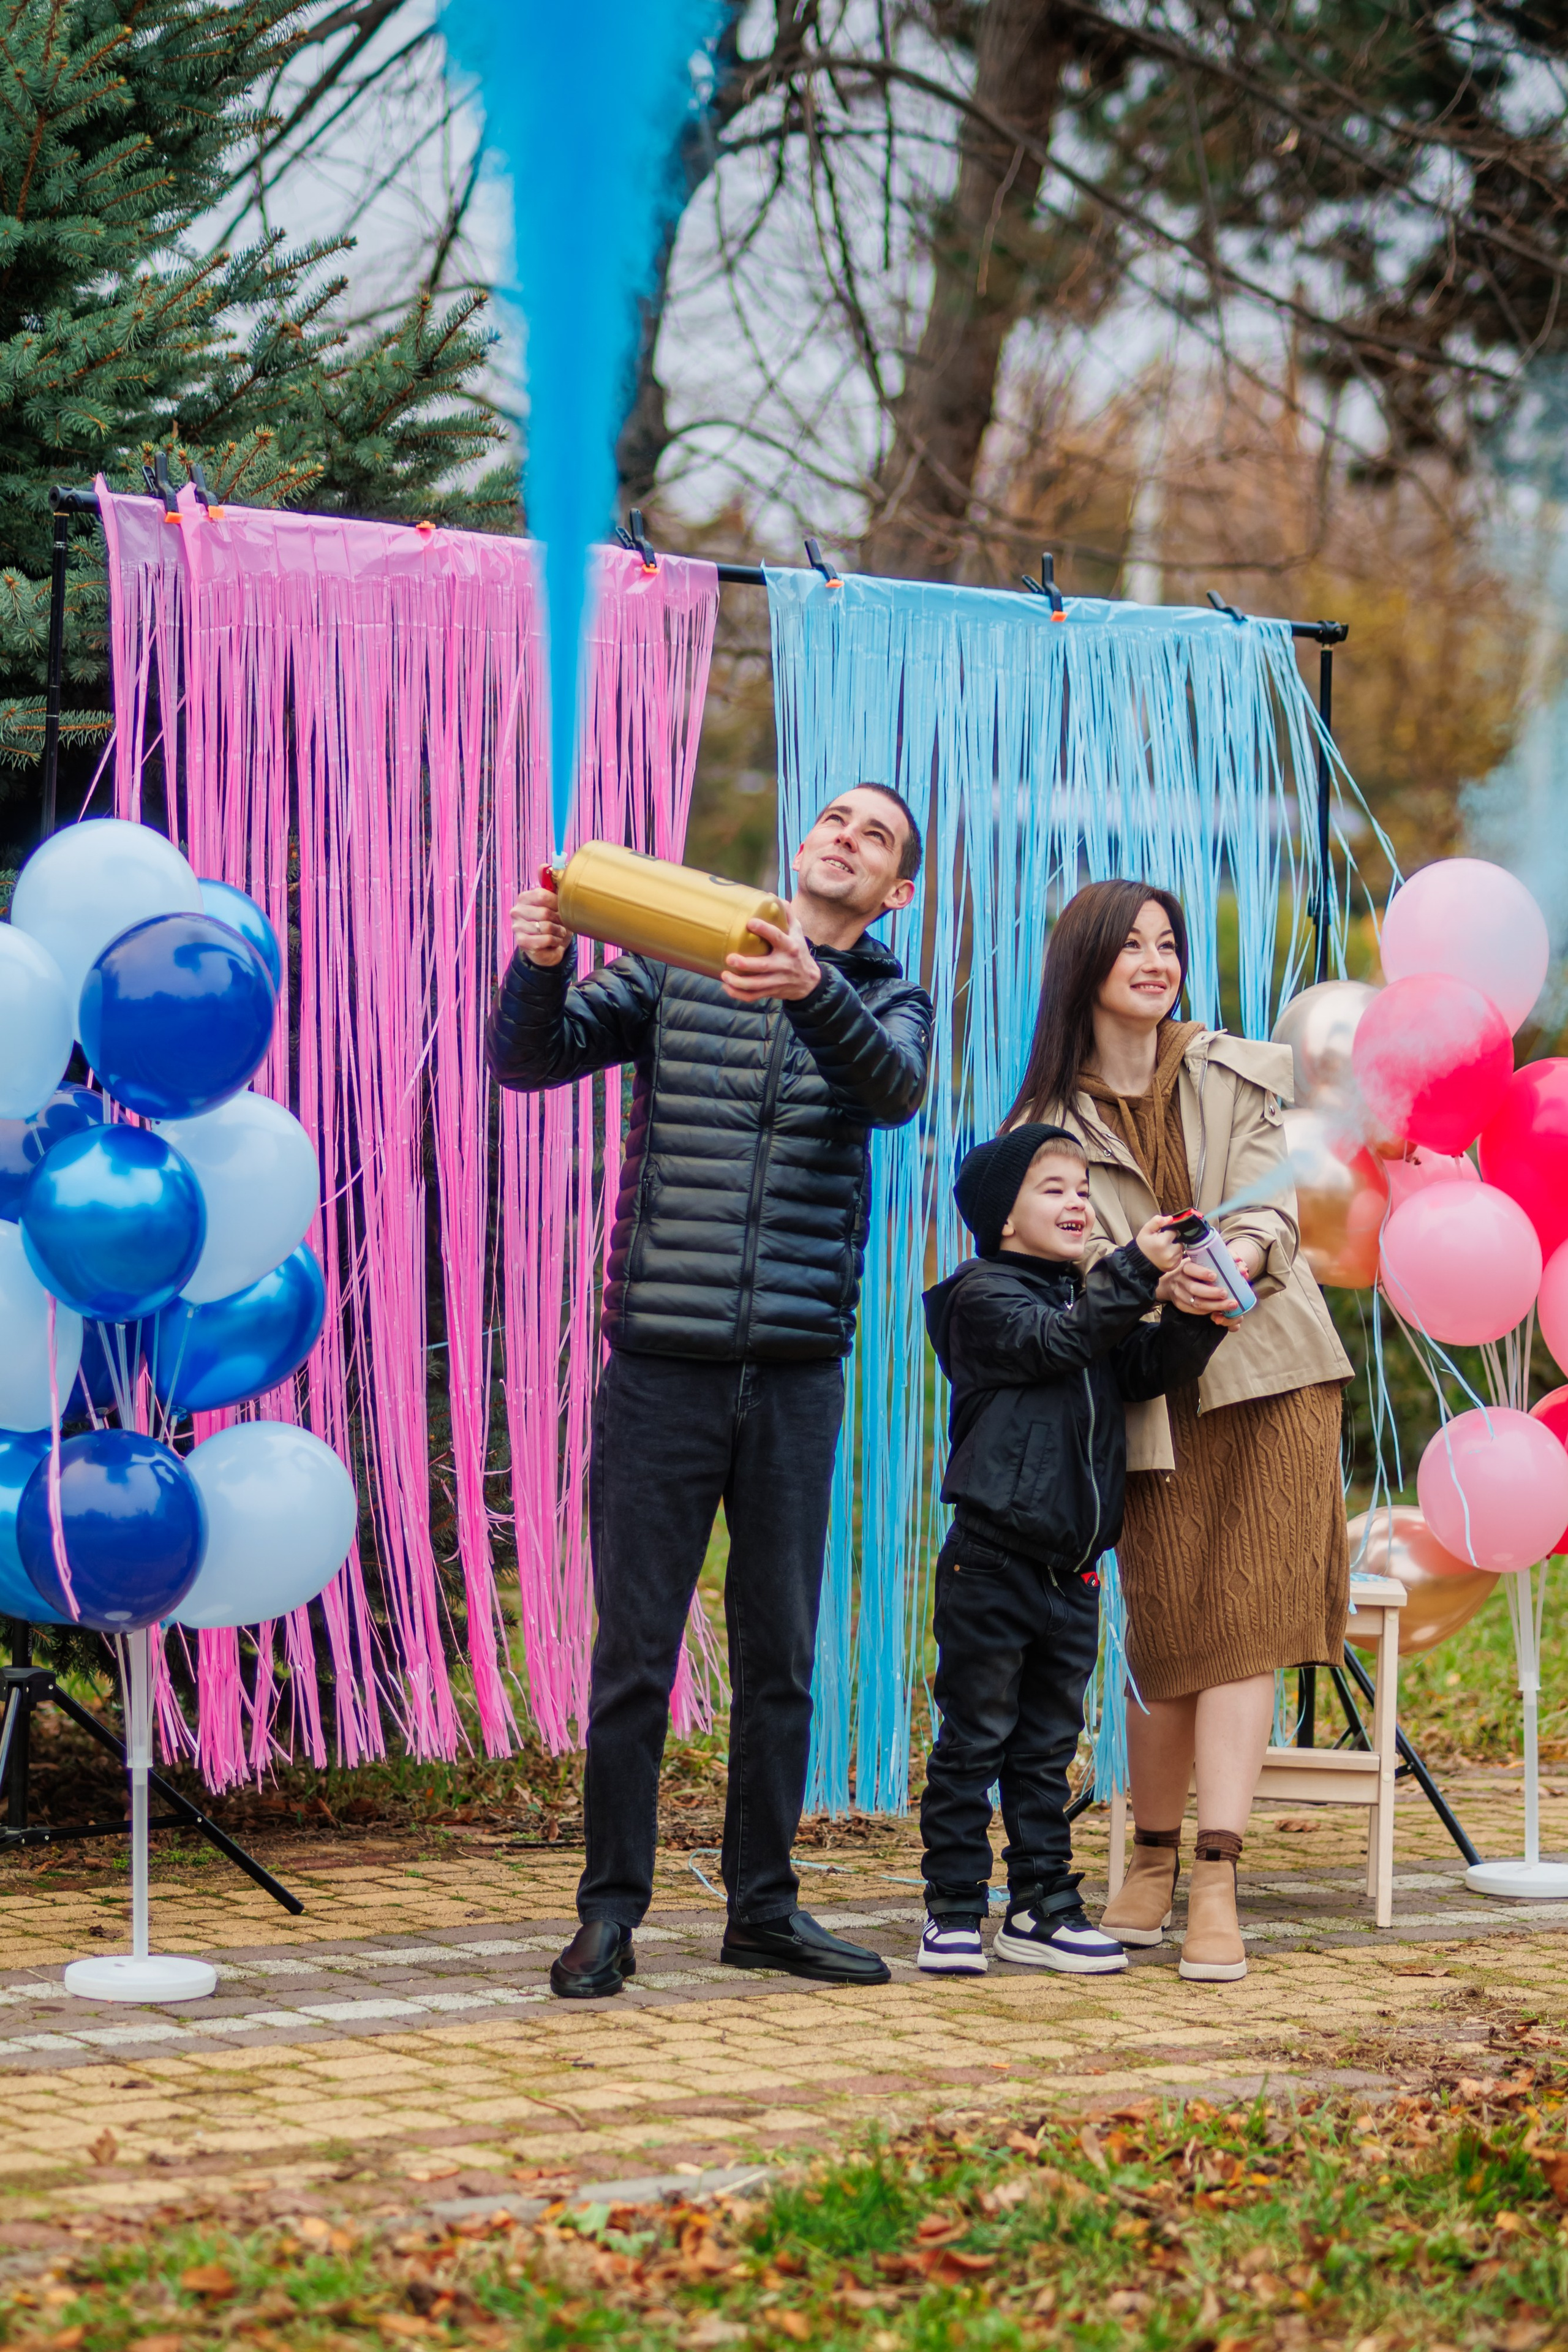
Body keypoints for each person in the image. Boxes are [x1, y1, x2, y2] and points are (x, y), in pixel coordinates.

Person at [486, 785, 934, 1999]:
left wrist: (812, 991)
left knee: (777, 1651)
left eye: (875, 836)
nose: (844, 835)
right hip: (659, 1366)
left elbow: (892, 1092)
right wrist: (537, 968)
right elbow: (528, 1060)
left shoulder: (885, 998)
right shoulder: (680, 959)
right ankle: (606, 1915)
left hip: (794, 1375)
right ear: (800, 845)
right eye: (834, 819)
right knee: (633, 1652)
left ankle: (763, 1910)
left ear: (895, 892)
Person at [1005, 880, 1352, 1983]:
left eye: (1170, 943)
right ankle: (1148, 1849)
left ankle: (1217, 1871)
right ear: (1087, 963)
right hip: (1143, 1393)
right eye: (1133, 944)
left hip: (1271, 1383)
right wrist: (1146, 1276)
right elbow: (1050, 1261)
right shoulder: (1041, 1126)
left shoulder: (1238, 1069)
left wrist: (1237, 1260)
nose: (1157, 960)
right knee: (1163, 1625)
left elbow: (1273, 1203)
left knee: (1246, 1620)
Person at [917, 1125, 1226, 1978]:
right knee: (974, 1741)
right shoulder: (983, 1297)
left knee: (1047, 1751)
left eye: (1082, 1187)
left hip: (1074, 1574)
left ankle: (1041, 1907)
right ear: (1002, 1216)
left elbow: (1135, 1369)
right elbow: (1055, 1343)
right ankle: (950, 1910)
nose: (1077, 1201)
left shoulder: (1088, 1302)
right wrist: (1131, 1269)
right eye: (1053, 1188)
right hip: (992, 1563)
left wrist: (1198, 1321)